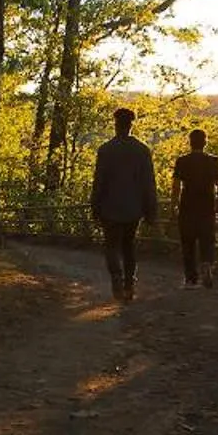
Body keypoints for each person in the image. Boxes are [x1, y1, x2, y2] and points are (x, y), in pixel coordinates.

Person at [89, 106, 157, 302]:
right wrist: (150, 210)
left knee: (111, 245)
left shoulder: (105, 150)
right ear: (131, 125)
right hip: (133, 208)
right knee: (129, 246)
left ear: (116, 124)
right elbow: (148, 183)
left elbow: (99, 181)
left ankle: (116, 277)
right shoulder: (143, 151)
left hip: (109, 207)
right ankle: (129, 284)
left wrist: (95, 205)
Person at [171, 127, 218, 288]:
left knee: (187, 242)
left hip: (187, 206)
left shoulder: (182, 161)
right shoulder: (213, 160)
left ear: (190, 143)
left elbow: (176, 186)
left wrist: (174, 205)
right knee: (207, 239)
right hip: (207, 206)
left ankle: (191, 278)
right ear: (205, 142)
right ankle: (207, 265)